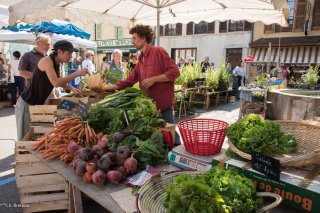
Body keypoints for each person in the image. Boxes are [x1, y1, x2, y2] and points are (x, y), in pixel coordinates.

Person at [95, 24, 180, 124]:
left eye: (134, 38)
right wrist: (105, 87)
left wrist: (153, 79)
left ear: (143, 38)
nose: (132, 41)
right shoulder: (140, 60)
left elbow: (175, 72)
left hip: (163, 108)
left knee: (172, 137)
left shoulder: (158, 51)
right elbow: (128, 81)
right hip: (148, 107)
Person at [15, 40, 88, 141]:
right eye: (68, 53)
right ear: (59, 52)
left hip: (37, 105)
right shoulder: (47, 61)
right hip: (26, 103)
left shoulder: (57, 63)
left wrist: (71, 88)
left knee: (33, 137)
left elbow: (60, 81)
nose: (71, 56)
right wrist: (76, 74)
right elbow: (56, 83)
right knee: (24, 138)